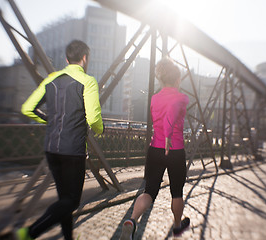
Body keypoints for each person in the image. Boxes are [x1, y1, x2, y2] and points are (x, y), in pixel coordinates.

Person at [17, 40, 103, 240]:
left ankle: (68, 238)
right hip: (72, 151)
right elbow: (93, 118)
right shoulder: (88, 81)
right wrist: (100, 130)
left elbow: (27, 108)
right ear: (85, 58)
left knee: (64, 199)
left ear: (66, 59)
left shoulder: (51, 80)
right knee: (72, 202)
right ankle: (29, 233)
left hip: (51, 149)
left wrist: (48, 120)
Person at [120, 58, 190, 239]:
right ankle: (176, 226)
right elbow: (172, 114)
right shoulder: (182, 98)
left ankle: (132, 220)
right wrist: (168, 135)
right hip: (174, 150)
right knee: (177, 192)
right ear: (177, 80)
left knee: (149, 191)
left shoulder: (154, 98)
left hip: (155, 149)